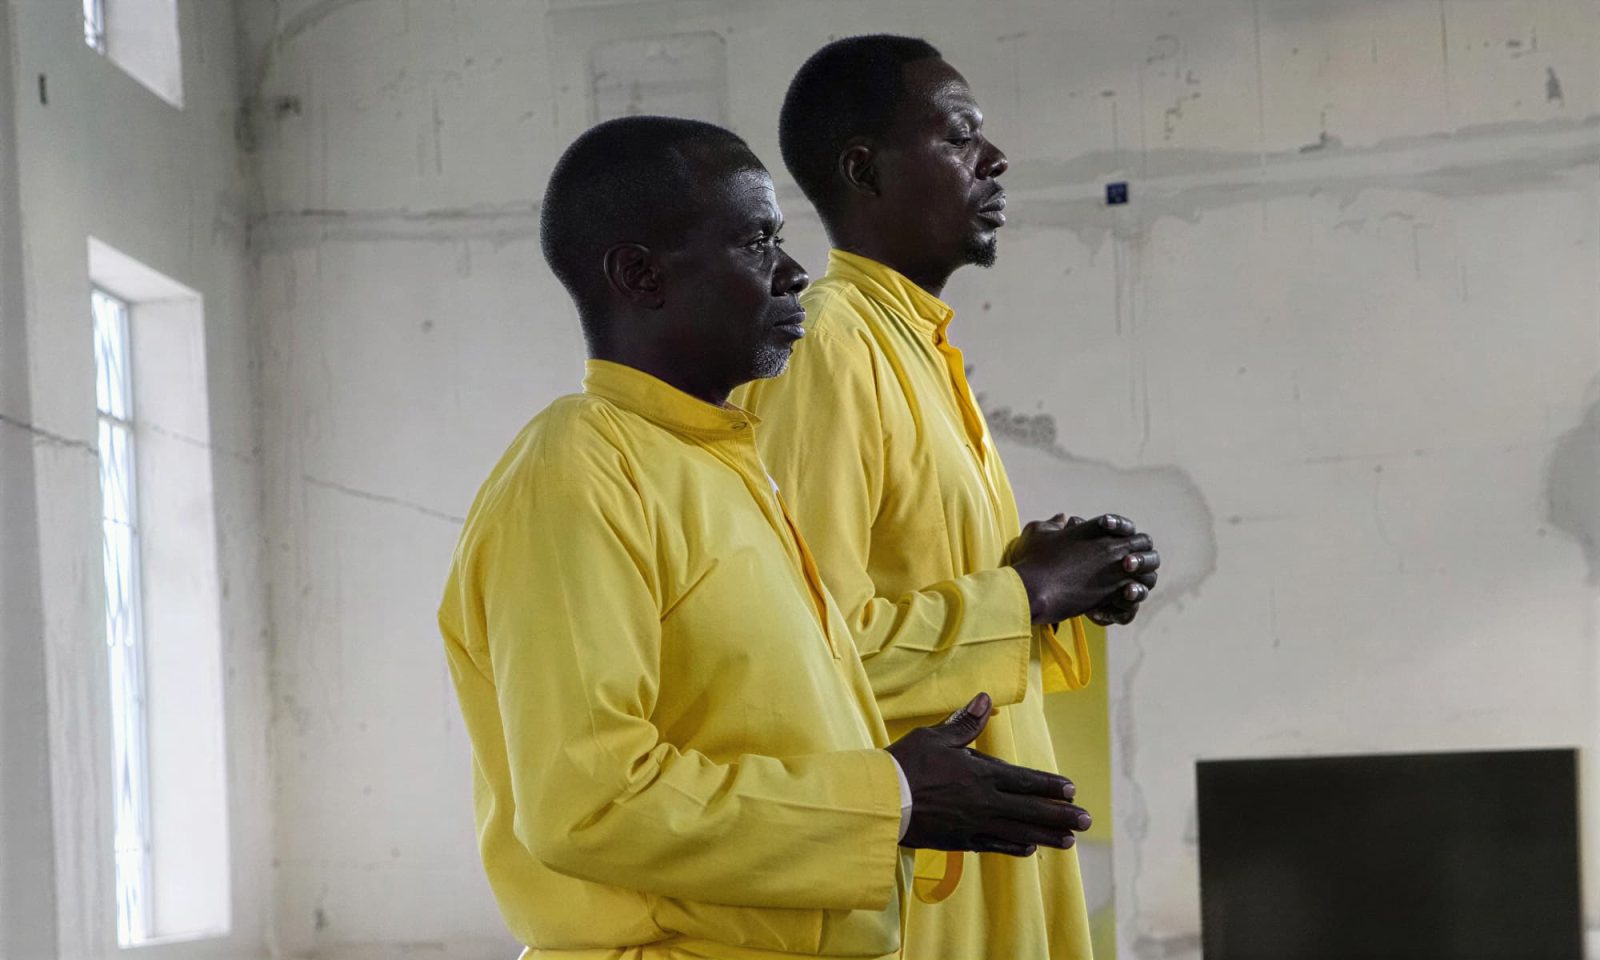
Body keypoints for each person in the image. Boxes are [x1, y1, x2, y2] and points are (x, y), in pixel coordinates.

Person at [438, 115, 1096, 960]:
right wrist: (891, 795)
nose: (792, 273)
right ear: (640, 275)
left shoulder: (723, 467)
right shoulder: (577, 467)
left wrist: (900, 774)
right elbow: (589, 802)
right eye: (756, 244)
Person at [738, 36, 1161, 958]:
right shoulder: (833, 348)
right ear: (865, 169)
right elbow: (806, 653)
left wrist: (1068, 582)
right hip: (922, 877)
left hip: (986, 848)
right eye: (962, 135)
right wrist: (1027, 595)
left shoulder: (919, 352)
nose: (996, 159)